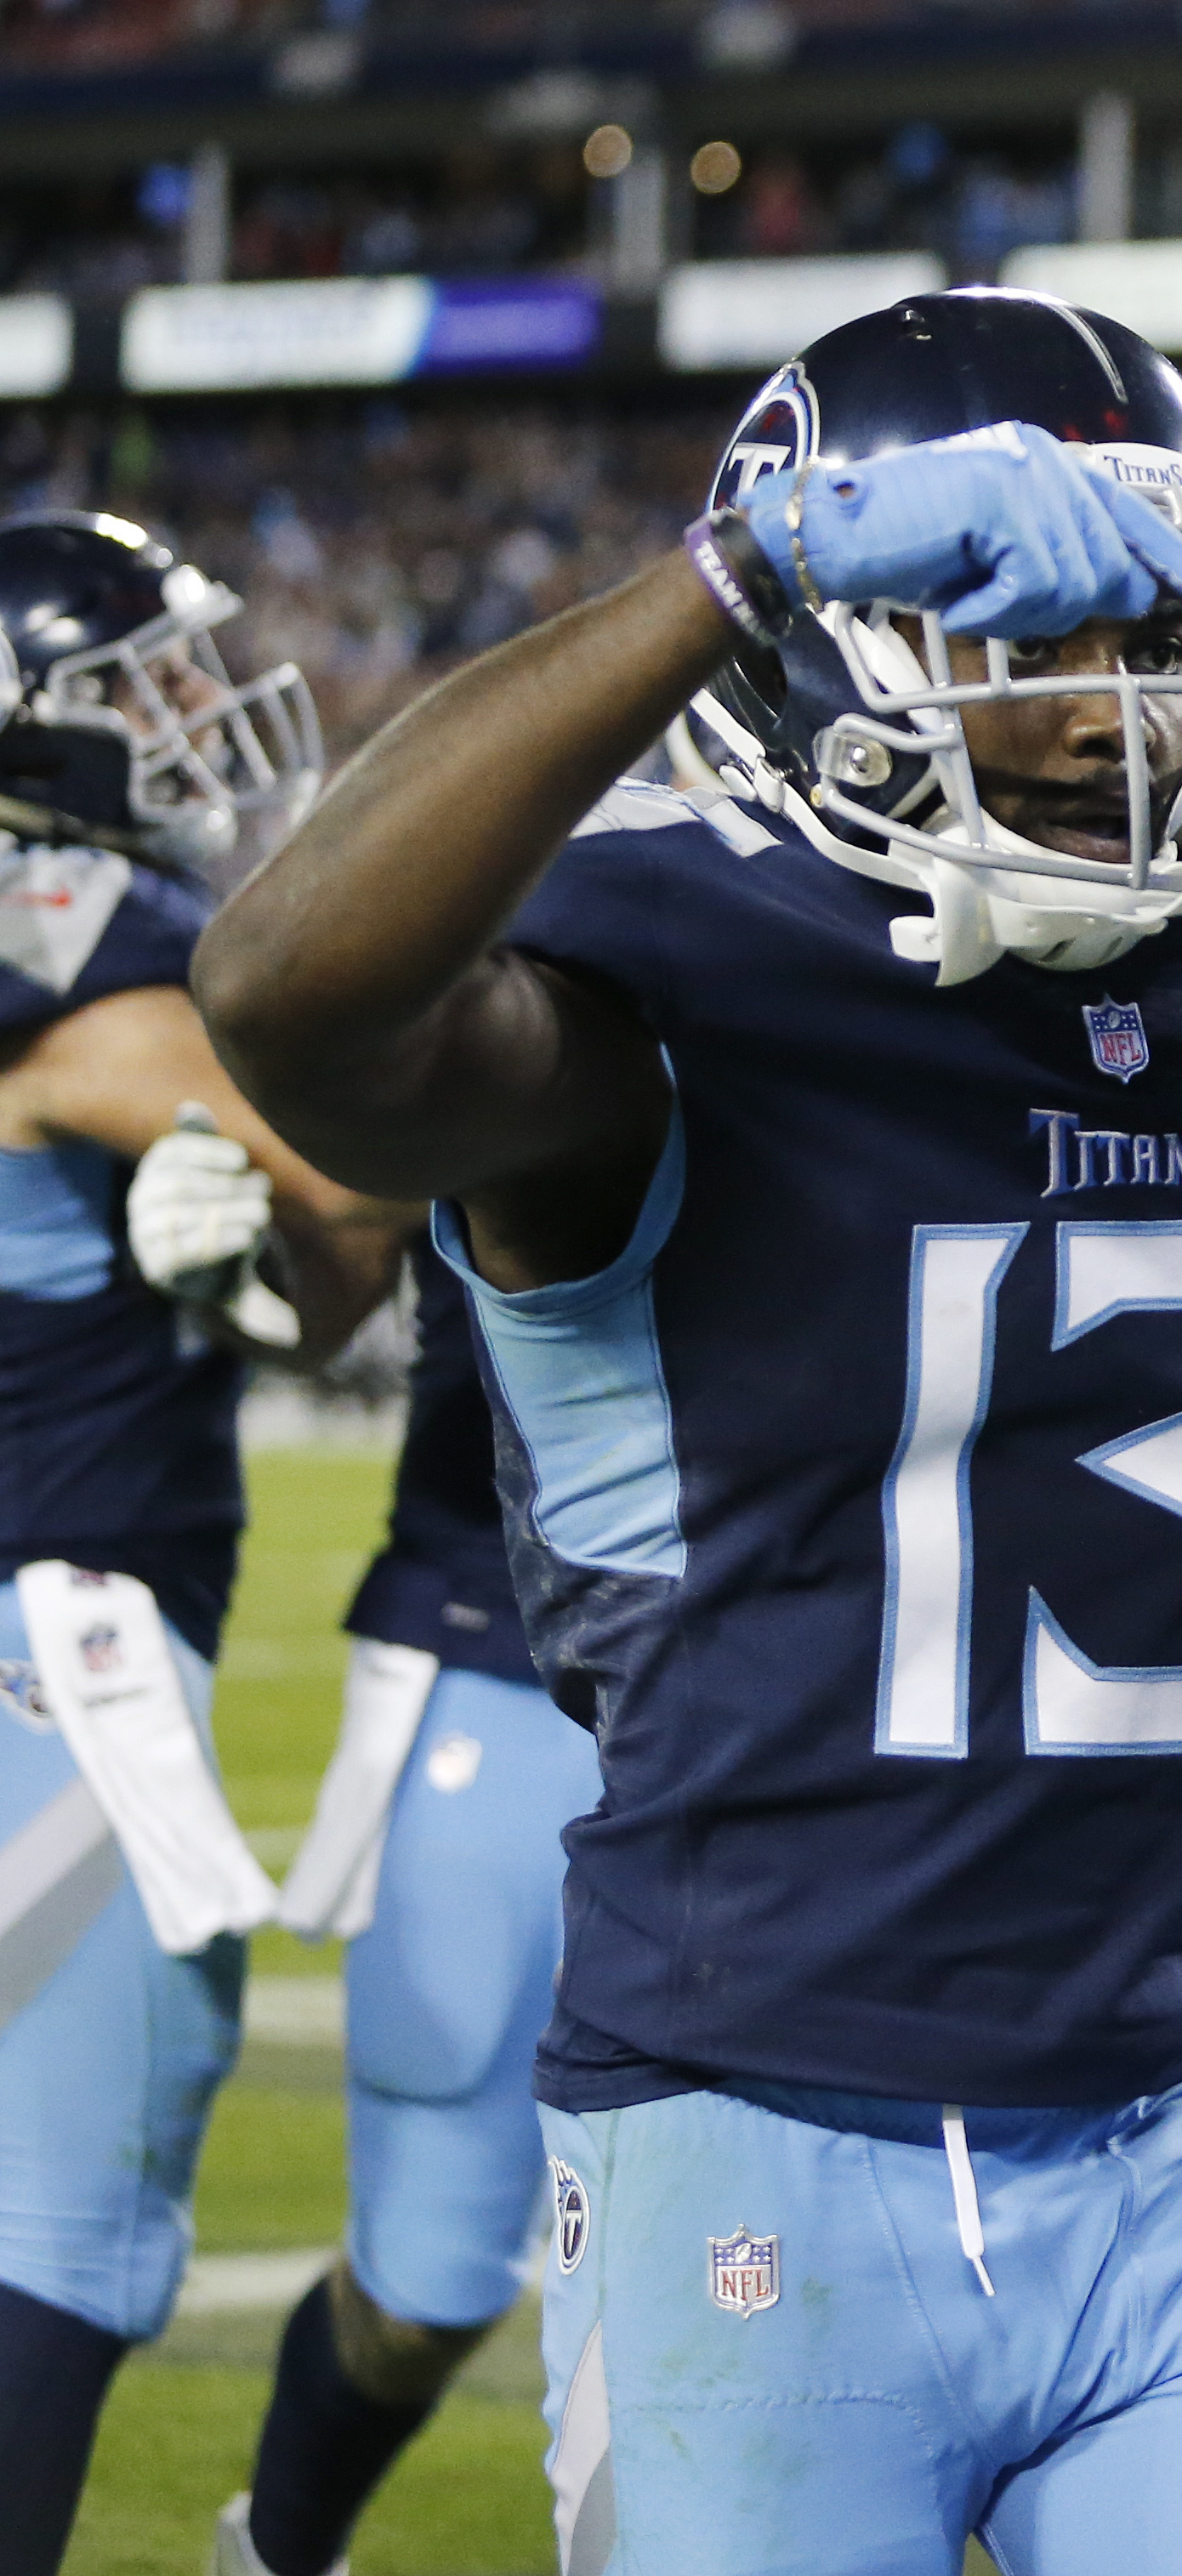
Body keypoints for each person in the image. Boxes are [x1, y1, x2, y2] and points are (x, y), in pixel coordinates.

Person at [189, 288, 1182, 2576]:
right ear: (831, 633)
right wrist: (729, 566)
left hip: (1166, 2142)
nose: (1113, 691)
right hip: (756, 2129)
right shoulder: (655, 1007)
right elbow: (289, 996)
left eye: (1160, 616)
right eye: (1023, 617)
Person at [0, 508, 406, 2576]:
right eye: (138, 685)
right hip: (53, 1648)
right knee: (69, 2208)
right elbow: (377, 1148)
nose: (189, 716)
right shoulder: (86, 956)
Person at [209, 1245, 602, 2576]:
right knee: (424, 2281)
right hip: (500, 1641)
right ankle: (275, 2549)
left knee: (835, 2279)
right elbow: (321, 1266)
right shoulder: (511, 1028)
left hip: (827, 1690)